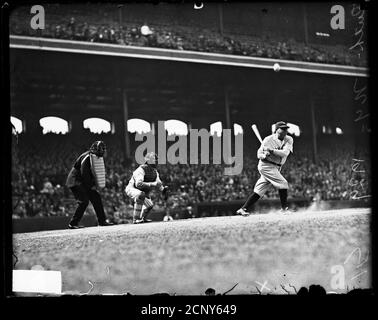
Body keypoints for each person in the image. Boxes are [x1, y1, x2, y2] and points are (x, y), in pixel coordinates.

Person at [236, 121, 294, 215]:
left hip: (276, 167)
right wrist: (264, 155)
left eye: (285, 129)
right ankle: (284, 209)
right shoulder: (267, 140)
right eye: (282, 129)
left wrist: (271, 151)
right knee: (283, 183)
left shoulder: (289, 139)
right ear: (276, 130)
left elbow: (285, 153)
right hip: (266, 165)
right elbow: (259, 154)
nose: (284, 131)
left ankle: (243, 209)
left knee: (259, 191)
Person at [66, 141, 113, 229]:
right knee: (83, 201)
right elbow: (84, 173)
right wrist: (92, 185)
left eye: (103, 150)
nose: (102, 151)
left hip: (83, 182)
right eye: (100, 149)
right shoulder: (87, 157)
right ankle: (72, 223)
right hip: (75, 181)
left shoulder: (95, 157)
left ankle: (102, 221)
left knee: (96, 198)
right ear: (94, 149)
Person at [125, 152, 168, 224]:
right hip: (132, 189)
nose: (156, 161)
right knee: (141, 195)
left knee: (150, 206)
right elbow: (139, 184)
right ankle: (136, 219)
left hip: (142, 192)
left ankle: (142, 218)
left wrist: (163, 190)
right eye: (154, 159)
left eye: (156, 160)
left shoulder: (155, 172)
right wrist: (152, 184)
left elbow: (158, 184)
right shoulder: (140, 170)